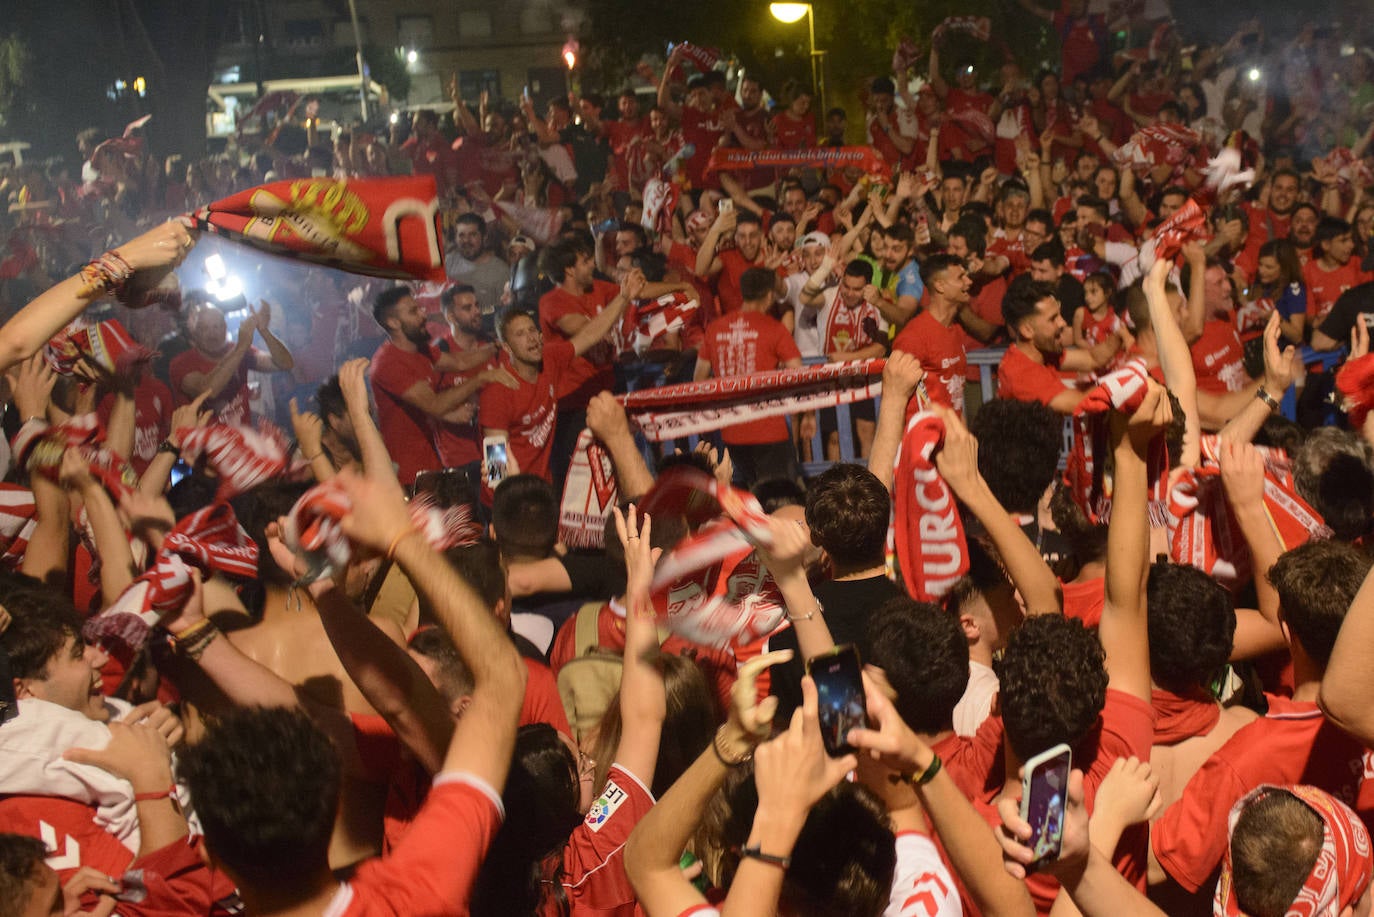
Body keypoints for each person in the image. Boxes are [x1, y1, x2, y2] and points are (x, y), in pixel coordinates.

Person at [481, 269, 640, 484]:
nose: (532, 339)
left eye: (532, 330)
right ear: (507, 348)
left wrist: (623, 297)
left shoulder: (550, 358)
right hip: (511, 496)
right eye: (520, 334)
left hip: (543, 488)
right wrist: (512, 501)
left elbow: (590, 334)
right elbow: (495, 465)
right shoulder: (498, 391)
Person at [367, 288, 510, 486]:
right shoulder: (400, 360)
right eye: (467, 308)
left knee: (502, 491)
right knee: (490, 497)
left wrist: (499, 346)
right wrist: (480, 380)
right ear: (450, 316)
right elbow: (435, 405)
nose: (476, 311)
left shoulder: (495, 349)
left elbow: (460, 365)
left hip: (494, 447)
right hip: (457, 459)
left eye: (477, 305)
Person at [694, 267, 803, 487]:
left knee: (741, 499)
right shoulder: (775, 329)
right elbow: (797, 374)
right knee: (776, 499)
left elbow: (699, 380)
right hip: (769, 429)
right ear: (770, 295)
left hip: (731, 430)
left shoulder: (715, 329)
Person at [169, 299, 294, 426]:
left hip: (243, 439)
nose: (212, 334)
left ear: (225, 327)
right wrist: (240, 348)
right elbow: (208, 391)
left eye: (217, 326)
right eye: (205, 328)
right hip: (206, 443)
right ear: (194, 332)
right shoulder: (182, 363)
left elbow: (284, 364)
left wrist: (264, 332)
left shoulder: (237, 349)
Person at [893, 253, 975, 414]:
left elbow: (956, 400)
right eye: (961, 278)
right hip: (924, 435)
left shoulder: (957, 330)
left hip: (951, 435)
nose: (969, 281)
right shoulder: (913, 337)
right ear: (940, 286)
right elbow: (895, 400)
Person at [447, 214, 511, 332]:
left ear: (484, 237)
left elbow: (504, 315)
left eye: (472, 235)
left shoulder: (500, 271)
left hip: (483, 334)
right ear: (455, 238)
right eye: (461, 235)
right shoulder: (448, 262)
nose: (466, 240)